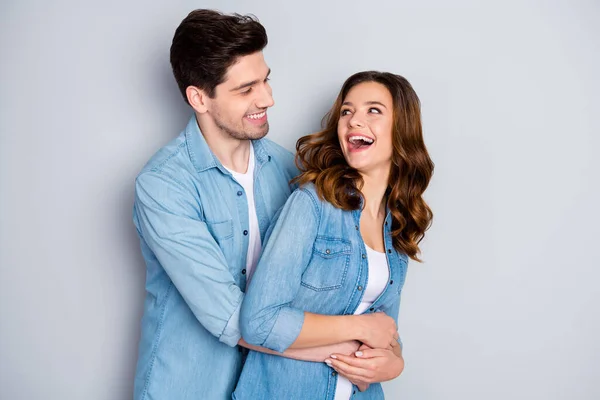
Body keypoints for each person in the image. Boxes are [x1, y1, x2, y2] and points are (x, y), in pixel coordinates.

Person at [132, 10, 392, 400]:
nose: (267, 98)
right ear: (199, 97)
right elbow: (233, 320)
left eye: (265, 79)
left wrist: (391, 356)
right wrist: (355, 349)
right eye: (246, 89)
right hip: (189, 387)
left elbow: (343, 286)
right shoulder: (163, 186)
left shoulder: (294, 173)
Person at [234, 71, 434, 399]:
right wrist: (360, 329)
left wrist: (395, 363)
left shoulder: (398, 224)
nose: (355, 120)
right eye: (347, 111)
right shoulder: (311, 204)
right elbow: (260, 321)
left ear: (402, 128)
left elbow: (385, 331)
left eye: (374, 110)